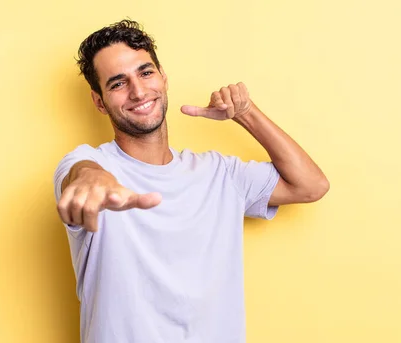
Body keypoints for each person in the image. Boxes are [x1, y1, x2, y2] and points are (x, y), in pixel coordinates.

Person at [54, 19, 329, 343]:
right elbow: (80, 174)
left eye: (145, 73)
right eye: (117, 84)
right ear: (99, 102)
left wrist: (245, 112)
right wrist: (91, 179)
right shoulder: (90, 163)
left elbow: (311, 185)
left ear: (163, 78)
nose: (139, 91)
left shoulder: (220, 174)